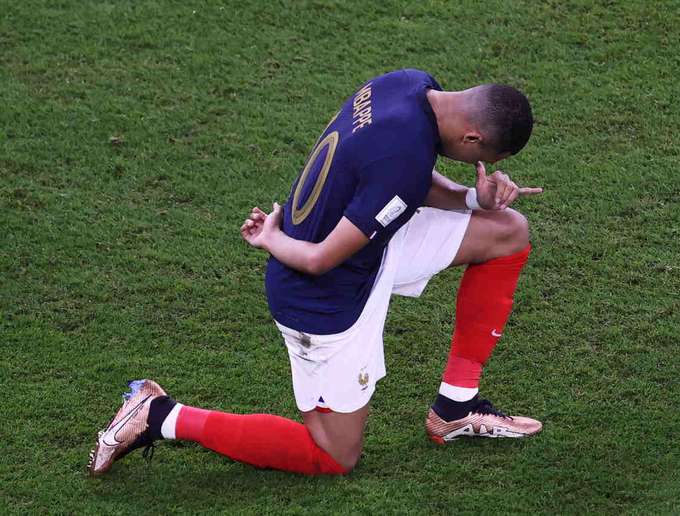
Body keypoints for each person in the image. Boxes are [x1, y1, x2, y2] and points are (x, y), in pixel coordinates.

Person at [88, 69, 543, 477]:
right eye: (484, 158)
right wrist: (270, 239)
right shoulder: (403, 163)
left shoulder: (407, 84)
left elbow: (408, 181)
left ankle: (456, 406)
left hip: (366, 246)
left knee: (506, 231)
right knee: (334, 455)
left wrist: (473, 200)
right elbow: (321, 257)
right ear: (471, 139)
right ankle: (159, 414)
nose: (476, 166)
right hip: (324, 295)